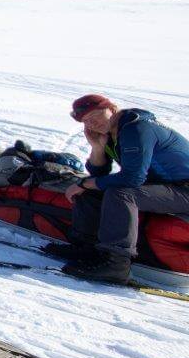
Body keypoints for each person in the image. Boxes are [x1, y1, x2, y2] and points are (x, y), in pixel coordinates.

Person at [51, 94, 189, 283]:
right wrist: (98, 149)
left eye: (96, 115)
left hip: (184, 190)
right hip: (168, 186)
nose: (92, 123)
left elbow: (133, 178)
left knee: (122, 194)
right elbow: (99, 174)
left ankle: (116, 264)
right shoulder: (114, 132)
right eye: (86, 121)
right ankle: (87, 247)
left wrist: (84, 183)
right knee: (93, 188)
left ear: (112, 109)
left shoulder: (136, 128)